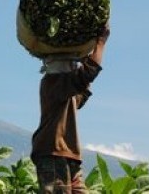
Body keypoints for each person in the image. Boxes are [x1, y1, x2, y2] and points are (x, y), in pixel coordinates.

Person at [31, 24, 110, 194]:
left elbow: (79, 98)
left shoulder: (65, 87)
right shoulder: (54, 81)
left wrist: (86, 60)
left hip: (69, 155)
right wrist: (100, 43)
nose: (75, 67)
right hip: (53, 153)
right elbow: (87, 74)